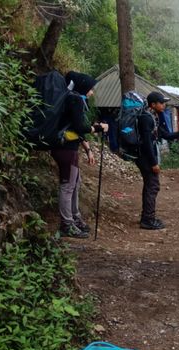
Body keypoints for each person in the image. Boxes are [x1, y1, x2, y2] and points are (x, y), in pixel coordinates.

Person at [51, 71, 107, 238]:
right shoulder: (75, 100)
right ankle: (67, 224)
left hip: (66, 148)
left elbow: (73, 127)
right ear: (83, 87)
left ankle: (74, 219)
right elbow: (79, 127)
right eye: (91, 88)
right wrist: (99, 128)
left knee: (74, 183)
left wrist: (88, 149)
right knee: (68, 186)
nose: (92, 92)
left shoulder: (72, 98)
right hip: (66, 149)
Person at [134, 91, 179, 230]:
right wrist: (153, 163)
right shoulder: (146, 118)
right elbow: (147, 143)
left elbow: (166, 135)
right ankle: (147, 220)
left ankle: (147, 217)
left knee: (151, 185)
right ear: (153, 104)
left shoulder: (153, 116)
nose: (164, 105)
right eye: (161, 103)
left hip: (145, 156)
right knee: (153, 186)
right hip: (145, 157)